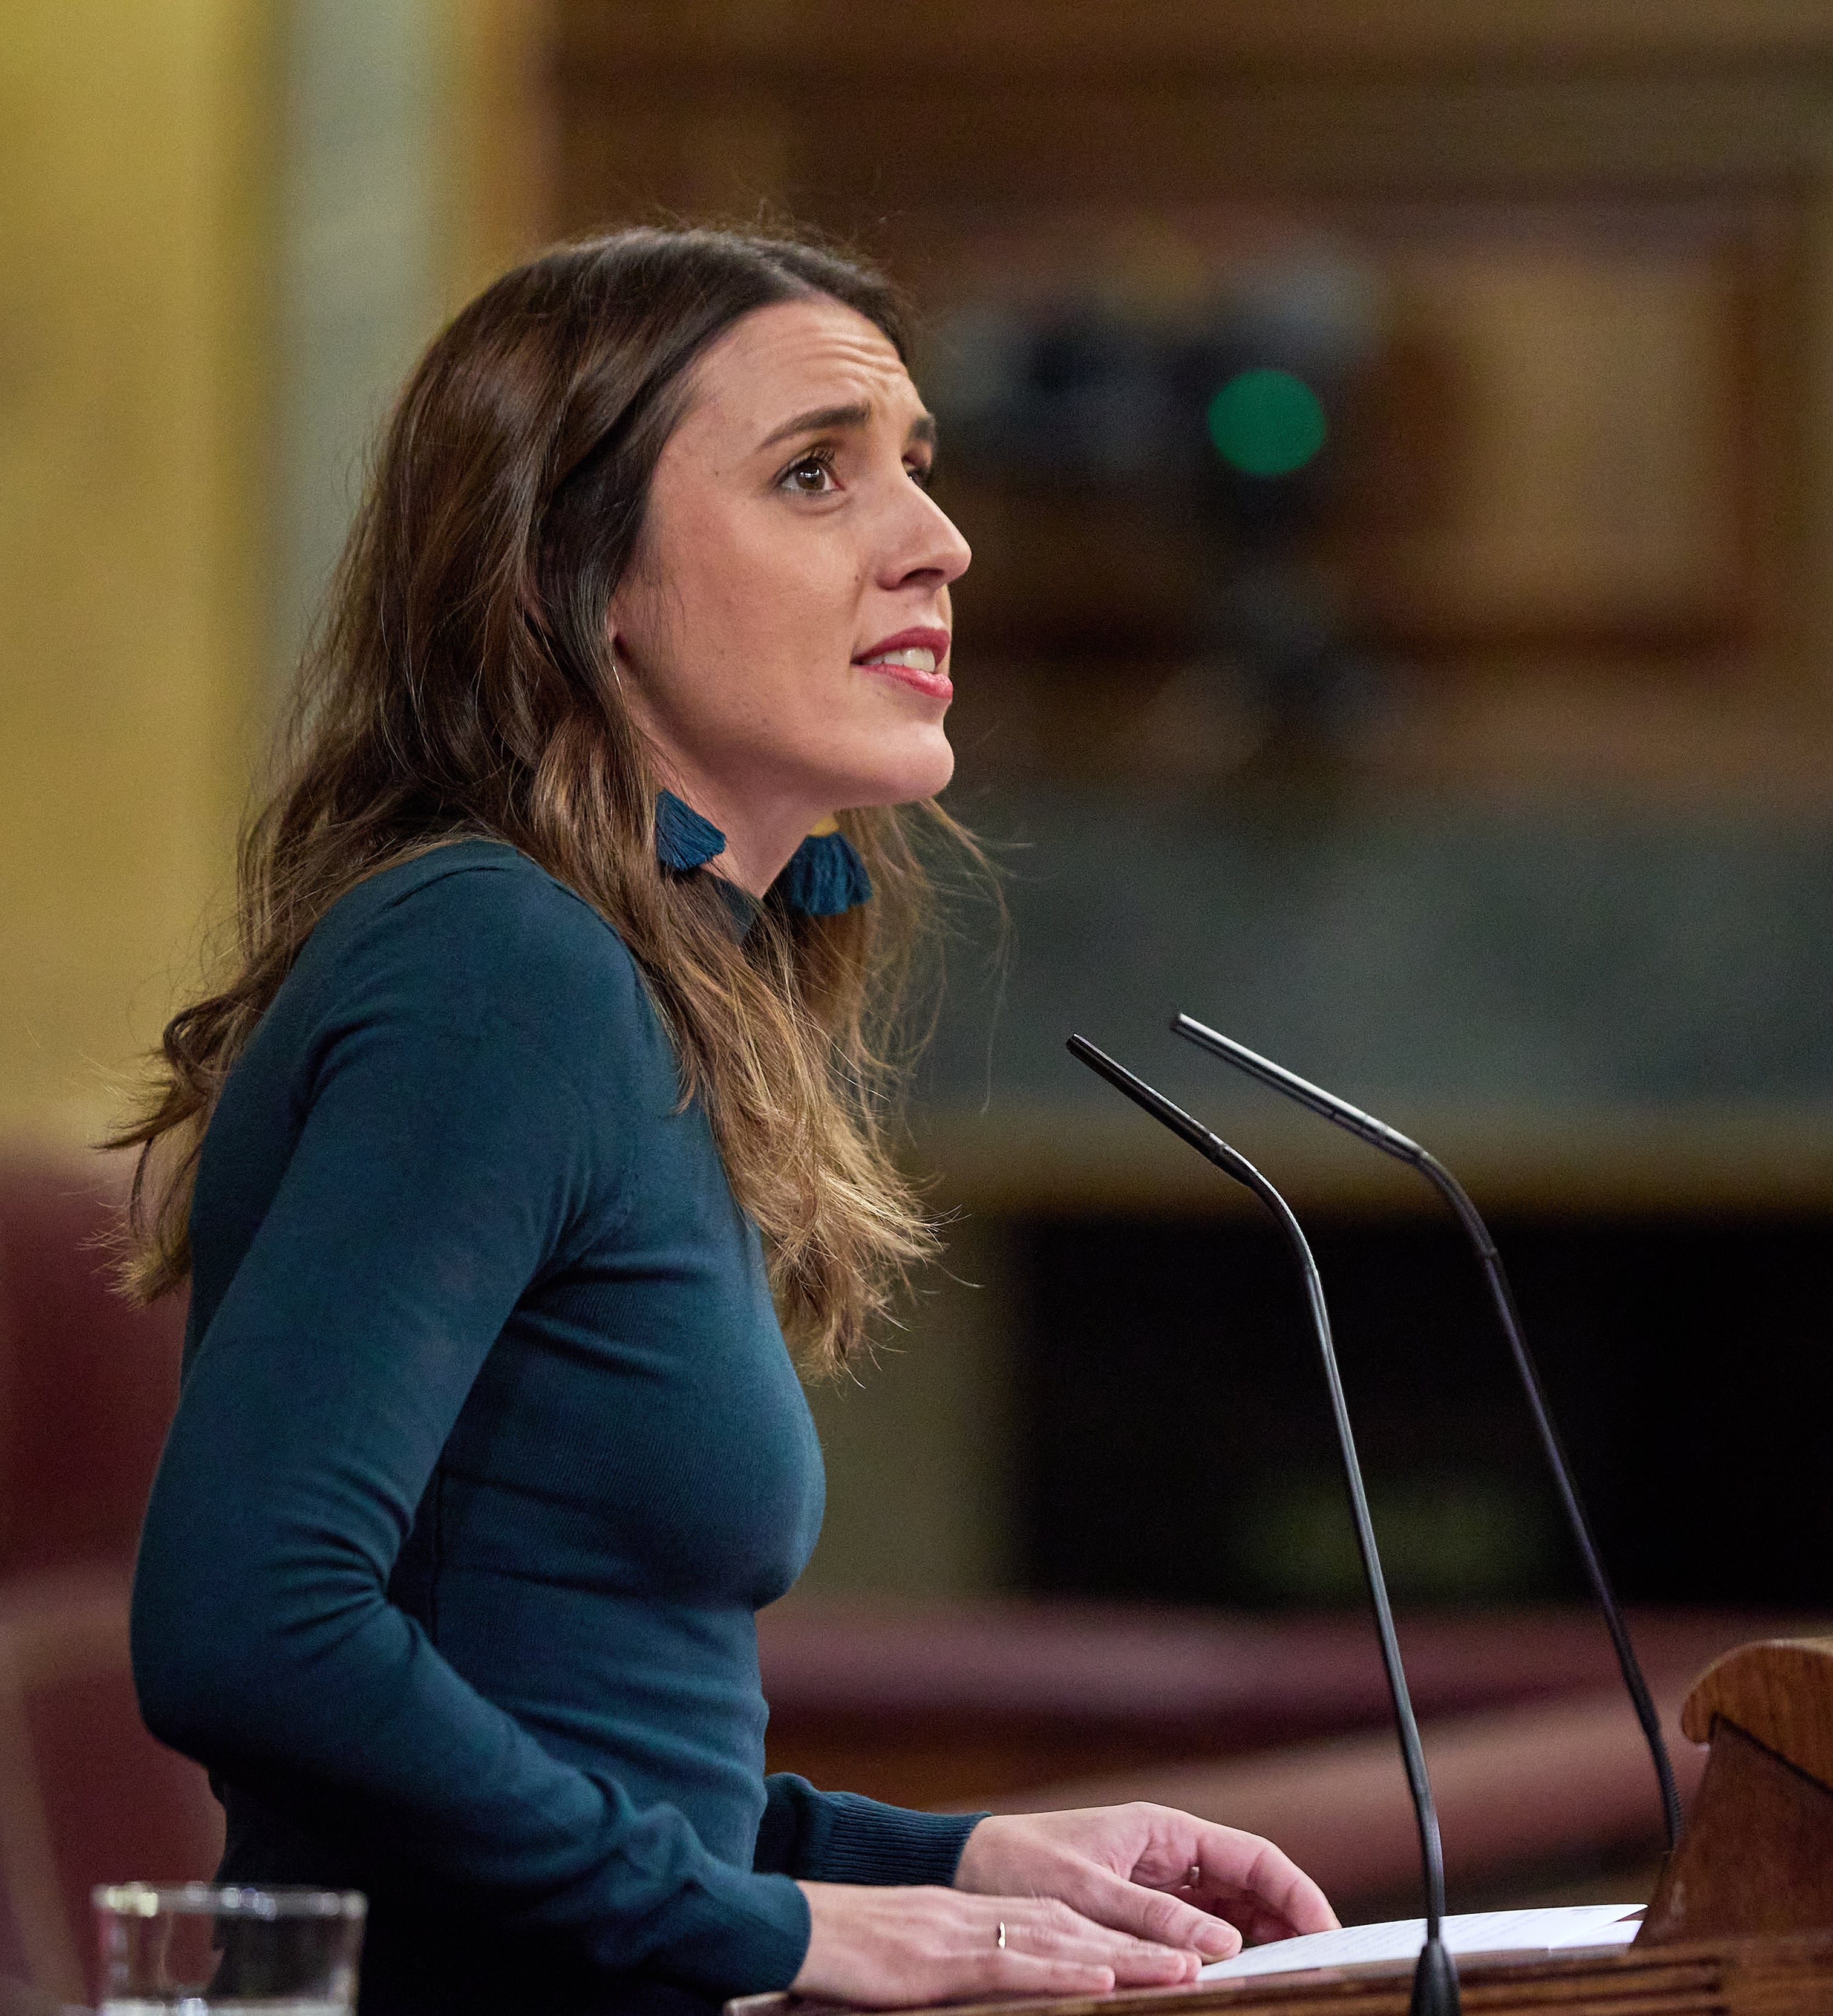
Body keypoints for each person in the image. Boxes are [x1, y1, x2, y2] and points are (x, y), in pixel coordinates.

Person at [113, 227, 1340, 2016]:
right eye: (817, 474)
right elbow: (251, 1628)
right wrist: (783, 1936)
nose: (940, 541)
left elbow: (563, 1730)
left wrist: (946, 1864)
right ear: (572, 577)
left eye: (916, 467)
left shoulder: (614, 975)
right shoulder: (494, 965)